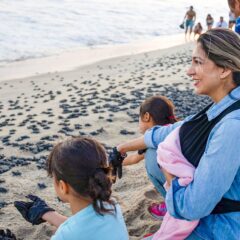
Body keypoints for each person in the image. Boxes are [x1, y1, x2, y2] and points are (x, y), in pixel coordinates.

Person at [116, 28, 240, 239]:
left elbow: (193, 208)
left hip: (224, 226)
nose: (189, 71)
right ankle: (174, 212)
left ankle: (175, 214)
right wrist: (120, 149)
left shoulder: (232, 126)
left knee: (160, 158)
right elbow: (169, 131)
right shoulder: (226, 104)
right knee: (157, 149)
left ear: (224, 69)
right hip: (218, 207)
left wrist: (170, 176)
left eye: (197, 62)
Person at [14, 137, 129, 240]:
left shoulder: (64, 236)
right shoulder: (111, 206)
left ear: (63, 187)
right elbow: (84, 229)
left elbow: (75, 232)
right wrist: (46, 213)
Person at [120, 96, 178, 220]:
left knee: (152, 158)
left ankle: (171, 205)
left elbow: (134, 159)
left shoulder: (152, 142)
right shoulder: (173, 129)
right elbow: (135, 158)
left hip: (177, 184)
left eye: (139, 119)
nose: (139, 124)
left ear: (146, 116)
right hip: (189, 179)